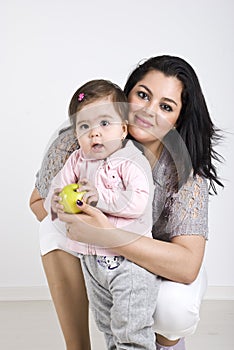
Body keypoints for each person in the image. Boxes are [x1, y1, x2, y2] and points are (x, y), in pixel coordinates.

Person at [29, 55, 224, 350]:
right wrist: (81, 220)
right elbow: (38, 201)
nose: (148, 110)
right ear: (126, 95)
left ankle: (166, 344)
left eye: (166, 106)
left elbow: (186, 265)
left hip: (159, 264)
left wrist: (106, 234)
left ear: (178, 119)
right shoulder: (81, 137)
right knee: (51, 229)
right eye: (143, 95)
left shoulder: (184, 170)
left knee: (173, 309)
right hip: (101, 258)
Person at [44, 79, 159, 349]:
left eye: (104, 124)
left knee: (130, 328)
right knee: (107, 326)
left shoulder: (131, 161)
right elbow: (58, 185)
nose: (95, 134)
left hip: (130, 262)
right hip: (93, 260)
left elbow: (138, 202)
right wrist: (57, 201)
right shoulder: (77, 160)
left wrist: (100, 198)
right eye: (85, 127)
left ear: (123, 129)